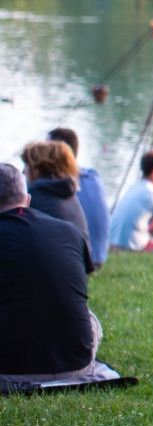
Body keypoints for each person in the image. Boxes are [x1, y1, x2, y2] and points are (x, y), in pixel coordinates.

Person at [0, 163, 104, 383]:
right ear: (27, 200)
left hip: (8, 369)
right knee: (88, 315)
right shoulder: (69, 231)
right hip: (77, 365)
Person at [47, 128, 110, 268]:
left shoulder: (59, 184)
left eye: (46, 149)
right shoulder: (94, 176)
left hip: (81, 262)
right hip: (99, 257)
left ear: (56, 152)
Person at [20, 140, 89, 244]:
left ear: (36, 169)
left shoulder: (37, 194)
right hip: (81, 260)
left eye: (26, 165)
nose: (23, 171)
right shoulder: (68, 194)